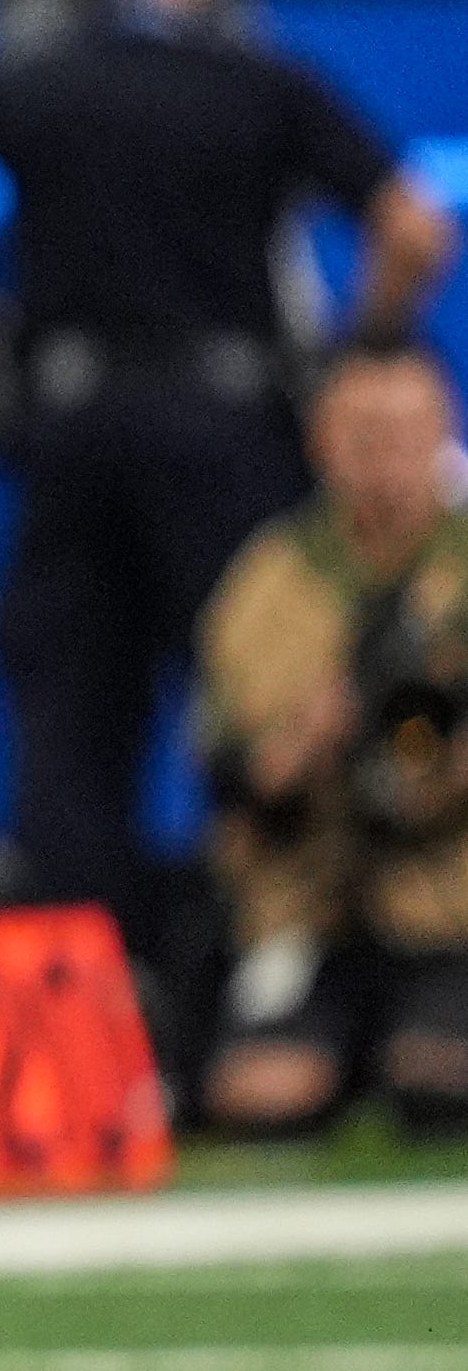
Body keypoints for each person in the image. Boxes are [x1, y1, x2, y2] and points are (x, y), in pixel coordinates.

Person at [0, 0, 451, 955]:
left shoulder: (24, 79)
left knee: (74, 733)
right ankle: (266, 980)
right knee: (255, 700)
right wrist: (356, 349)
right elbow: (414, 227)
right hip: (226, 437)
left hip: (71, 435)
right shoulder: (253, 77)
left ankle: (93, 1015)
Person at [198, 345, 468, 1139]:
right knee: (261, 1101)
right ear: (321, 441)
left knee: (441, 1089)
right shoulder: (273, 578)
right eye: (363, 436)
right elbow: (233, 776)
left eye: (403, 434)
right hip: (309, 899)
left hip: (447, 904)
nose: (384, 461)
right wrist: (316, 732)